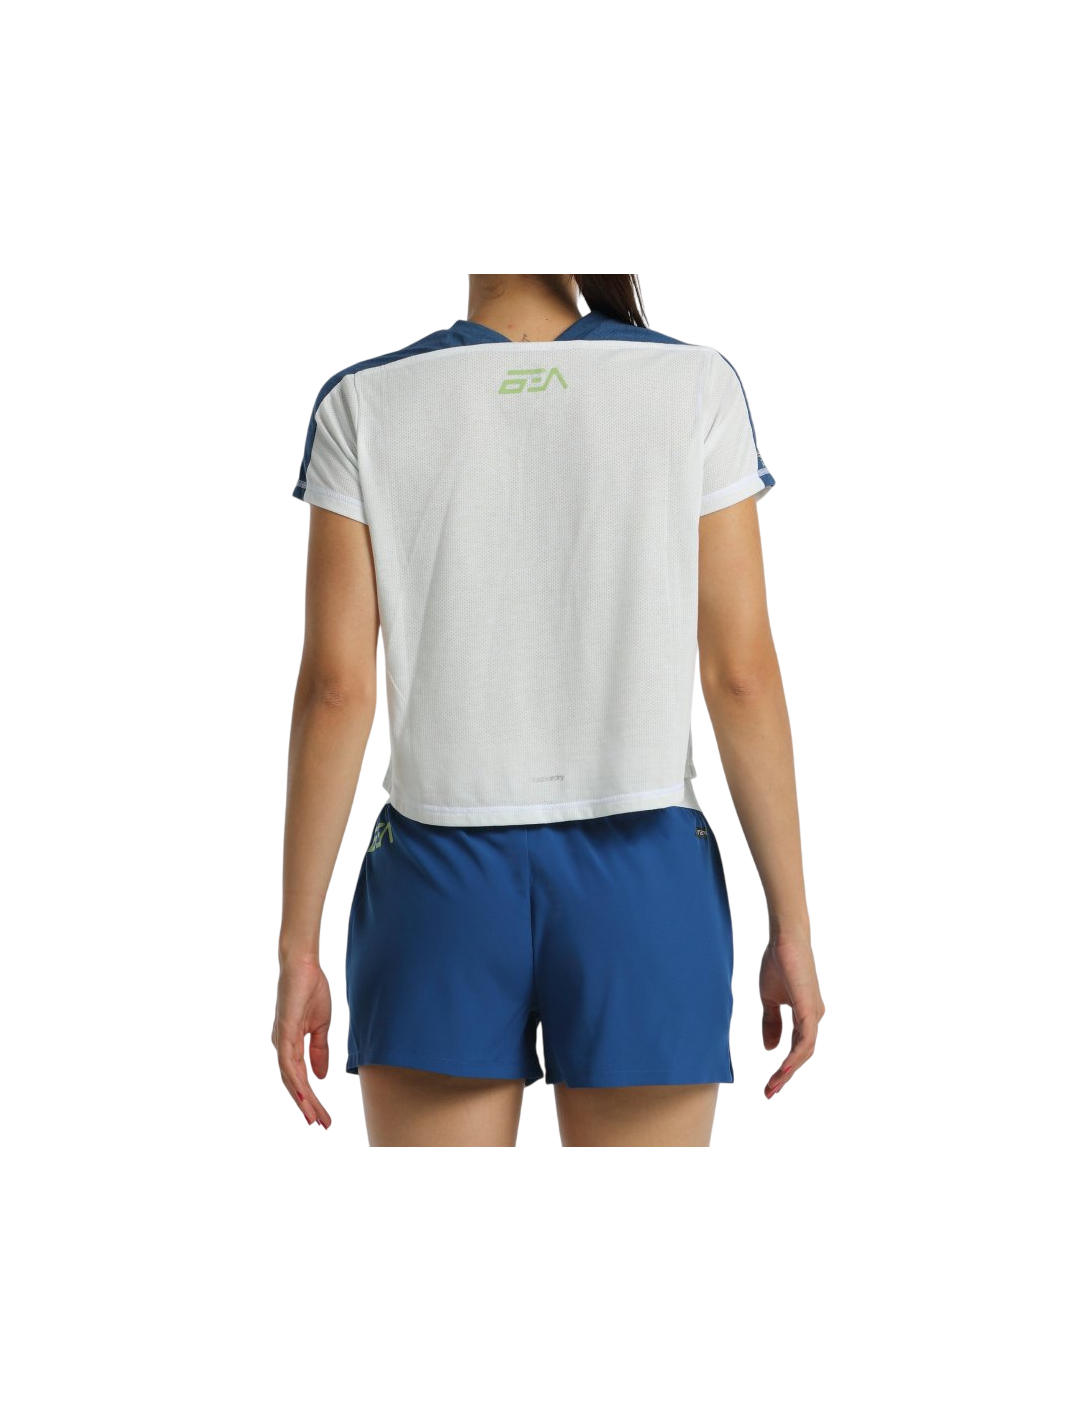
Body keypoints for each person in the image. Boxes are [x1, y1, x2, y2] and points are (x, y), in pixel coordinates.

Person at [272, 274, 825, 1147]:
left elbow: (337, 690)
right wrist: (791, 928)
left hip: (435, 880)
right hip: (644, 880)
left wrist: (297, 949)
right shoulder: (693, 384)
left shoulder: (364, 401)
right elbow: (742, 676)